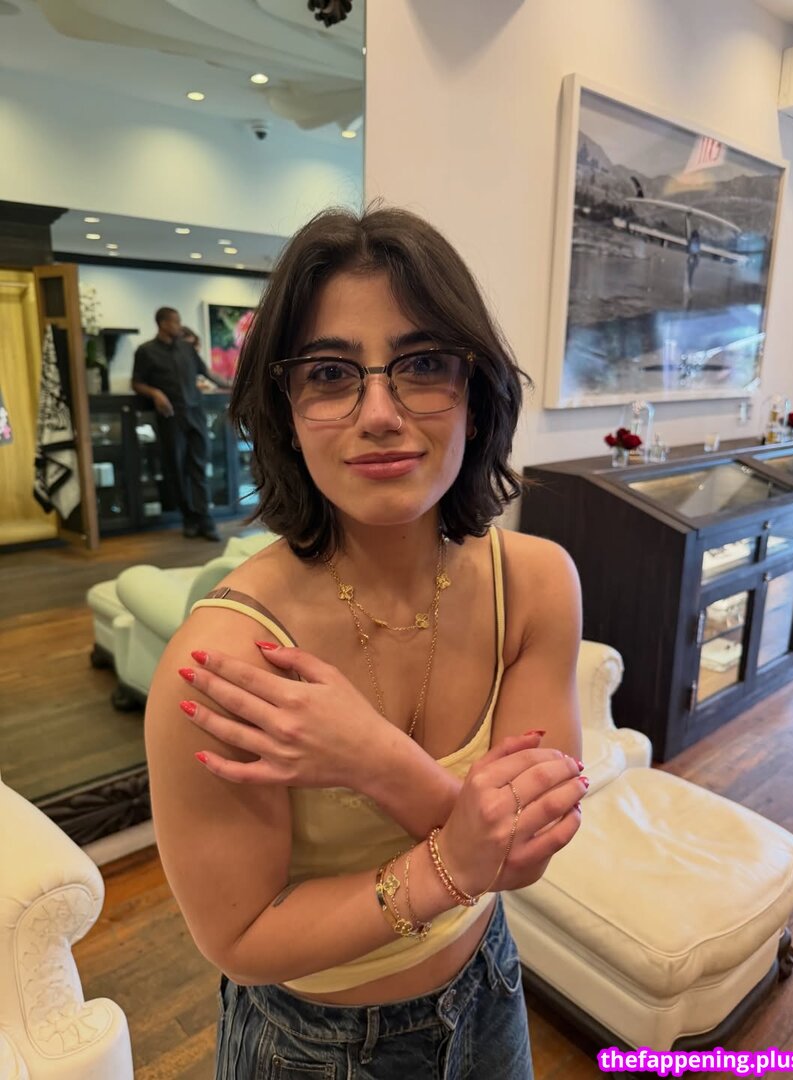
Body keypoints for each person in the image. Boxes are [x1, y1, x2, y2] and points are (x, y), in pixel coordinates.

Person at [145, 206, 585, 1078]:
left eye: (422, 365)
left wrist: (372, 758)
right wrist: (456, 859)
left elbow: (526, 855)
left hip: (490, 986)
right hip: (311, 1044)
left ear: (475, 393)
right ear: (286, 408)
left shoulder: (537, 584)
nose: (379, 413)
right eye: (329, 373)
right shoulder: (227, 661)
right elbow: (238, 938)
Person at [132, 307, 230, 540]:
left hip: (195, 412)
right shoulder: (146, 351)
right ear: (163, 324)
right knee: (176, 468)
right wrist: (156, 393)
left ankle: (205, 518)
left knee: (199, 465)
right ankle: (189, 518)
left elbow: (206, 373)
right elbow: (136, 383)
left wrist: (234, 384)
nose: (179, 325)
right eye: (175, 322)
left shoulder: (187, 348)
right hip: (170, 416)